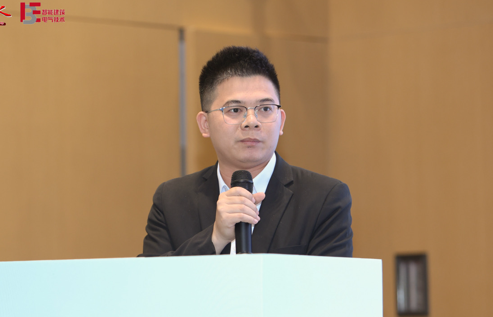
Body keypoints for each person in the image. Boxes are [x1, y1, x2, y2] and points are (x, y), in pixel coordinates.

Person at [142, 46, 352, 257]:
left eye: (265, 109)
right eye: (235, 110)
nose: (252, 121)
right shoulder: (171, 200)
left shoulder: (324, 199)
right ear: (205, 124)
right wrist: (215, 238)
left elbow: (330, 278)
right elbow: (148, 276)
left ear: (281, 121)